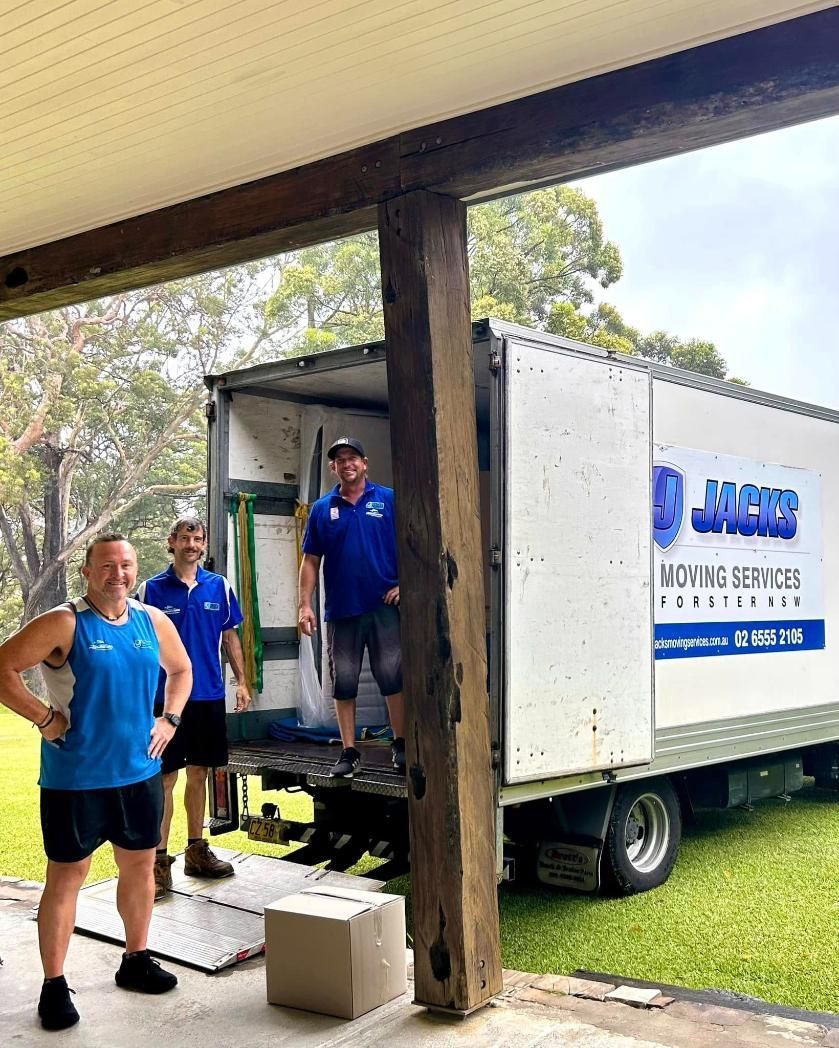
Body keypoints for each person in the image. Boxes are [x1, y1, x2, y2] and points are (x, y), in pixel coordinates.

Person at [0, 533, 192, 1031]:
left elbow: (182, 670)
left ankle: (135, 959)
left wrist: (168, 719)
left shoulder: (152, 621)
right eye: (107, 565)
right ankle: (54, 984)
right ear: (87, 572)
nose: (118, 574)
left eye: (126, 565)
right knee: (67, 878)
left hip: (139, 773)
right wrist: (43, 718)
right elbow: (3, 668)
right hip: (75, 778)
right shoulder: (66, 621)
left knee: (140, 867)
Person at [137, 516, 252, 901]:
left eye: (197, 537)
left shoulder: (219, 586)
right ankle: (158, 861)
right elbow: (137, 642)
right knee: (165, 778)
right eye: (184, 537)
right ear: (171, 542)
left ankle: (196, 851)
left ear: (204, 545)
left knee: (199, 773)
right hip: (166, 699)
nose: (191, 543)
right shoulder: (151, 590)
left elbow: (230, 636)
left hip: (207, 696)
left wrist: (243, 681)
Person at [298, 437, 406, 777]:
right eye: (340, 459)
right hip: (342, 611)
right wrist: (304, 605)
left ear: (365, 463)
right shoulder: (322, 508)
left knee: (392, 675)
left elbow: (414, 544)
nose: (347, 464)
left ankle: (400, 744)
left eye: (353, 458)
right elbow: (311, 561)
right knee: (343, 682)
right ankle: (348, 751)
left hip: (383, 608)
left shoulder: (388, 500)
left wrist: (407, 586)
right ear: (333, 467)